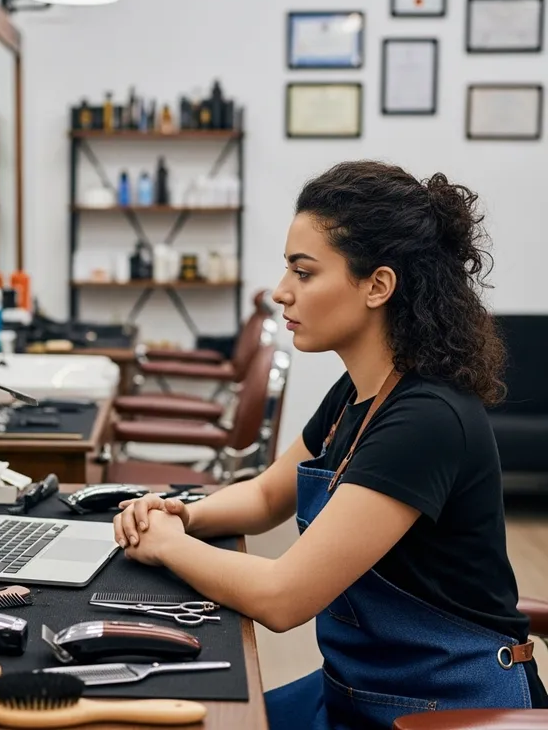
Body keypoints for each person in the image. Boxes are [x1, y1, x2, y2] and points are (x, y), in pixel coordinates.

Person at [114, 161, 548, 728]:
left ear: (378, 285)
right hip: (360, 687)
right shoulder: (357, 392)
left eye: (305, 272)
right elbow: (269, 494)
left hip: (445, 707)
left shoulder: (425, 420)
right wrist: (180, 513)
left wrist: (168, 545)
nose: (281, 292)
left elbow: (282, 597)